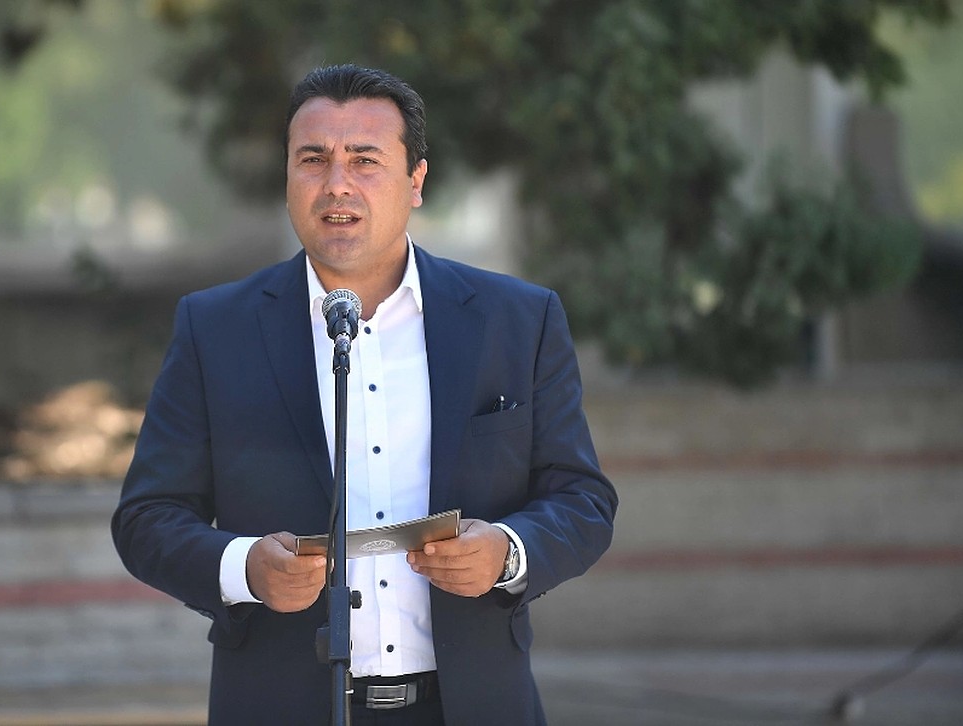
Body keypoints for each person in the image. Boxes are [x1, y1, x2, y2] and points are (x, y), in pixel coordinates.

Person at [111, 64, 617, 726]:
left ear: (416, 181)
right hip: (278, 706)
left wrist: (508, 552)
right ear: (287, 179)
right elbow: (147, 518)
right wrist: (243, 568)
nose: (337, 183)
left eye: (365, 160)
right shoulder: (214, 329)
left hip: (472, 706)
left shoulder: (517, 320)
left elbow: (582, 500)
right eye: (312, 159)